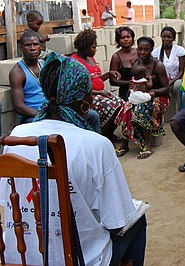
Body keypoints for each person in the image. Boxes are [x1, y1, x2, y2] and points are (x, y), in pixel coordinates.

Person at [0, 52, 146, 266]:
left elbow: (7, 199)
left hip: (19, 256)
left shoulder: (18, 135)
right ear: (84, 100)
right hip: (78, 260)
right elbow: (118, 223)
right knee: (137, 218)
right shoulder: (96, 144)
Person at [10, 30, 101, 132]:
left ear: (40, 46)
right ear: (21, 47)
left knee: (93, 116)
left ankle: (93, 144)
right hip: (33, 115)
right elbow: (19, 106)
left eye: (35, 44)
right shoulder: (17, 72)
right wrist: (42, 114)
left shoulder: (45, 65)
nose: (32, 48)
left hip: (53, 109)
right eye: (28, 45)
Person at [115, 37, 170, 158]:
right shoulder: (136, 65)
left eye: (146, 49)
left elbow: (167, 88)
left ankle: (147, 145)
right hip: (140, 96)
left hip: (158, 97)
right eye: (140, 49)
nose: (142, 52)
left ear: (151, 50)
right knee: (126, 108)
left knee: (141, 108)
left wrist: (152, 93)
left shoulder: (158, 65)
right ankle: (124, 144)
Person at [70, 29, 125, 141]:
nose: (95, 50)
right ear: (85, 47)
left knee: (123, 104)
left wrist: (108, 74)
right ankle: (103, 134)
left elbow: (95, 79)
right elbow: (77, 88)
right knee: (111, 107)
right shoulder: (74, 62)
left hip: (100, 93)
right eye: (93, 47)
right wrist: (99, 92)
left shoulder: (90, 59)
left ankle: (109, 132)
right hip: (87, 97)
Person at [152, 26, 185, 111]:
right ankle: (167, 114)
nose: (166, 39)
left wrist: (171, 82)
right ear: (161, 37)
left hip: (176, 79)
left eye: (169, 37)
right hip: (162, 80)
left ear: (174, 38)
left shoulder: (179, 50)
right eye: (164, 37)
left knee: (178, 86)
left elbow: (181, 71)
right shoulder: (156, 52)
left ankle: (179, 110)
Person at [110, 27, 138, 100]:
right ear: (118, 40)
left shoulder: (140, 52)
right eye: (122, 37)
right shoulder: (116, 57)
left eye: (128, 37)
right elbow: (112, 81)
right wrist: (130, 83)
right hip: (125, 94)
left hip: (142, 91)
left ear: (132, 38)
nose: (126, 39)